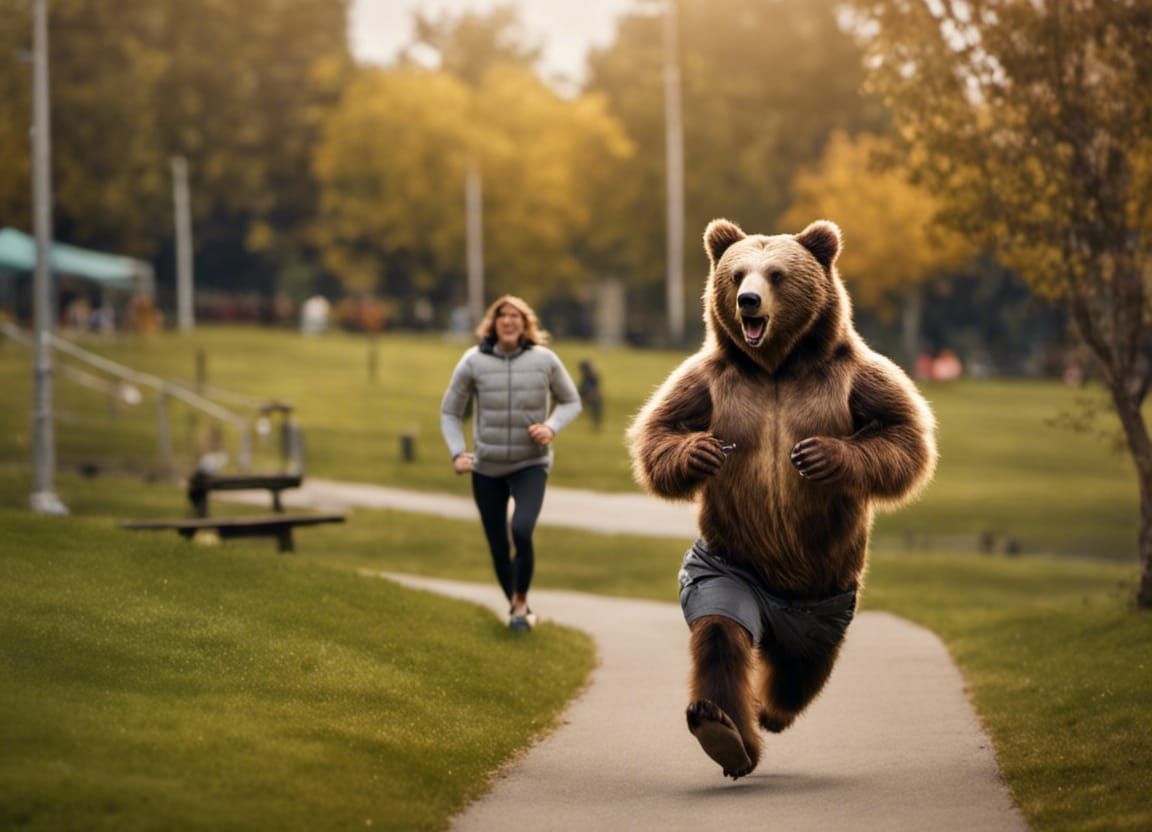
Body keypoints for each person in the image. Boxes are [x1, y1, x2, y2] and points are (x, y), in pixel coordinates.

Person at [440, 295, 582, 631]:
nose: (508, 320)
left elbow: (570, 401)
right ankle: (519, 607)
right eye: (501, 315)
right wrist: (458, 452)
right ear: (493, 323)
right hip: (486, 466)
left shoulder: (544, 359)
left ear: (525, 324)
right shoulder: (473, 362)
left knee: (521, 529)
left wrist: (550, 427)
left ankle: (519, 609)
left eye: (515, 316)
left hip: (530, 464)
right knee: (498, 546)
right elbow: (450, 411)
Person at [577, 359, 603, 431]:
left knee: (596, 410)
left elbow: (594, 389)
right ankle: (595, 427)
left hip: (592, 397)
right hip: (587, 396)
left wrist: (587, 398)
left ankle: (595, 427)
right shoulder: (588, 376)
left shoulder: (592, 377)